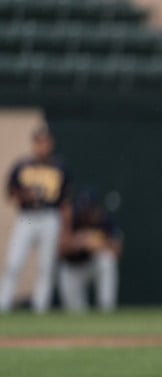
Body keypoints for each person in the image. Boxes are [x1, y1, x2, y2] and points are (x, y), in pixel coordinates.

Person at [0, 125, 72, 314]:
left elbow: (65, 201)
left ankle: (41, 309)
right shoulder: (22, 165)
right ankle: (3, 304)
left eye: (46, 142)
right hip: (28, 216)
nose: (43, 146)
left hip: (49, 216)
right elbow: (10, 194)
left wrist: (65, 230)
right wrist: (26, 195)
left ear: (51, 143)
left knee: (46, 266)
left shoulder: (60, 166)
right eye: (39, 142)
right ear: (34, 144)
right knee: (14, 262)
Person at [57, 187, 122, 313]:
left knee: (107, 260)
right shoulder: (71, 218)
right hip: (72, 268)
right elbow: (60, 250)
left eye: (88, 210)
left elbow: (117, 251)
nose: (85, 213)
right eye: (83, 210)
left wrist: (98, 243)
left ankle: (106, 309)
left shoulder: (105, 221)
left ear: (95, 208)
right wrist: (78, 242)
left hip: (92, 264)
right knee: (75, 313)